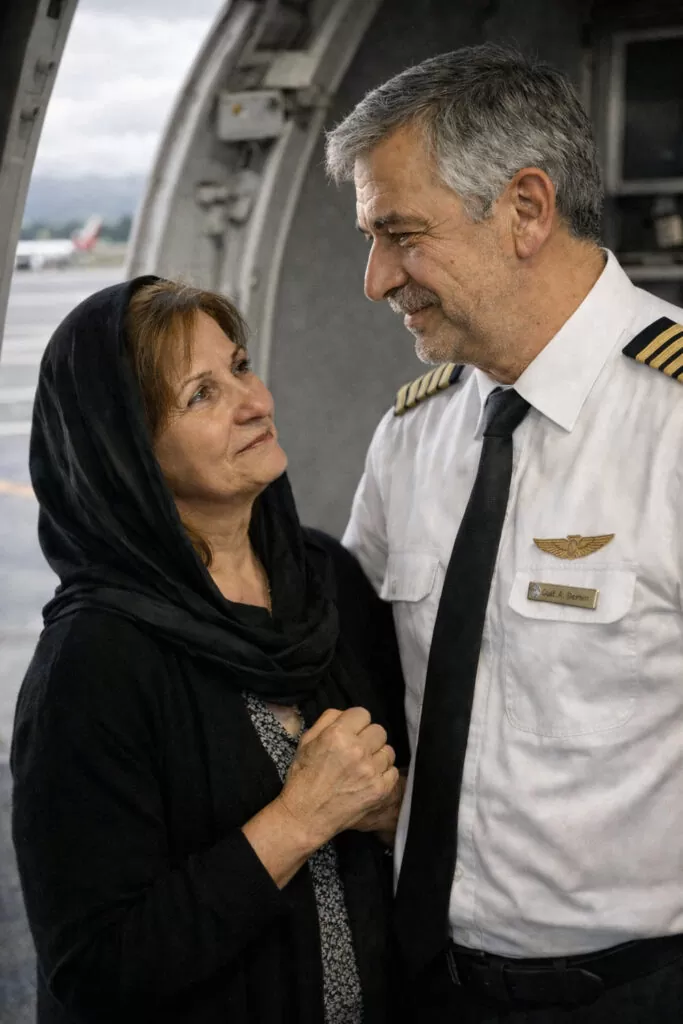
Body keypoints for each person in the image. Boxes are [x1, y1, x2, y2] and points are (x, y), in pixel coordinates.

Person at [325, 42, 683, 1023]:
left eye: (400, 234)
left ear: (525, 208)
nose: (375, 279)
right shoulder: (412, 432)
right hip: (421, 978)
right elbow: (358, 669)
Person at [11, 277, 408, 1024]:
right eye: (202, 394)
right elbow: (94, 967)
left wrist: (392, 809)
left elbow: (399, 791)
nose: (254, 402)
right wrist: (298, 819)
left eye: (241, 366)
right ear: (128, 451)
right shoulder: (91, 663)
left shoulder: (325, 578)